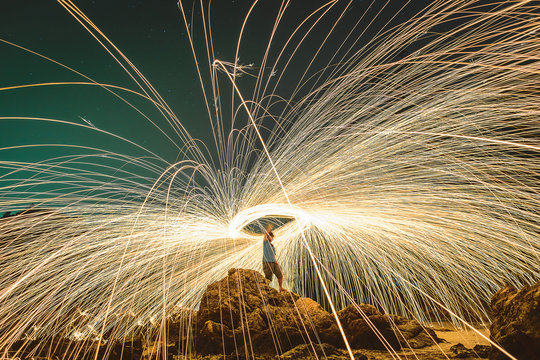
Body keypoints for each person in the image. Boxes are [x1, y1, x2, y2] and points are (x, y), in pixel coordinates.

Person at [262, 223, 285, 291]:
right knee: (268, 278)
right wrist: (269, 228)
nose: (272, 238)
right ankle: (265, 289)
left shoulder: (272, 246)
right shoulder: (265, 243)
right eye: (271, 237)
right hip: (267, 262)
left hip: (273, 262)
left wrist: (276, 261)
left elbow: (273, 254)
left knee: (280, 274)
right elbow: (265, 234)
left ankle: (280, 288)